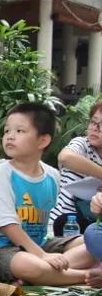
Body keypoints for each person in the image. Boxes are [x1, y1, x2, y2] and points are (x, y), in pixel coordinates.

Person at [0, 102, 98, 286]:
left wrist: (42, 253)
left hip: (37, 245)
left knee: (92, 242)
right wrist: (42, 256)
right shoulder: (1, 174)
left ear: (43, 141)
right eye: (7, 131)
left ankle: (45, 274)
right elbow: (9, 226)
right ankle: (86, 275)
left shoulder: (52, 176)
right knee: (33, 265)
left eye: (20, 131)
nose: (10, 136)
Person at [50, 100, 102, 235]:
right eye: (92, 122)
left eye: (101, 125)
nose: (95, 128)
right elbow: (65, 157)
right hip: (64, 222)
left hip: (95, 225)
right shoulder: (82, 144)